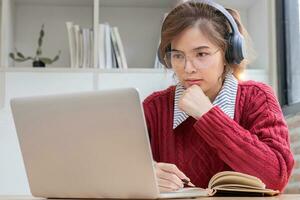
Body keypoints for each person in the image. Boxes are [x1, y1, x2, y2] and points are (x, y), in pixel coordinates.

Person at [142, 0, 294, 193]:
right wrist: (147, 175)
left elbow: (276, 177)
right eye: (178, 55)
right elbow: (115, 166)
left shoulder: (257, 97)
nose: (188, 69)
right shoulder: (155, 107)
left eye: (201, 54)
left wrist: (208, 115)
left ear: (228, 54)